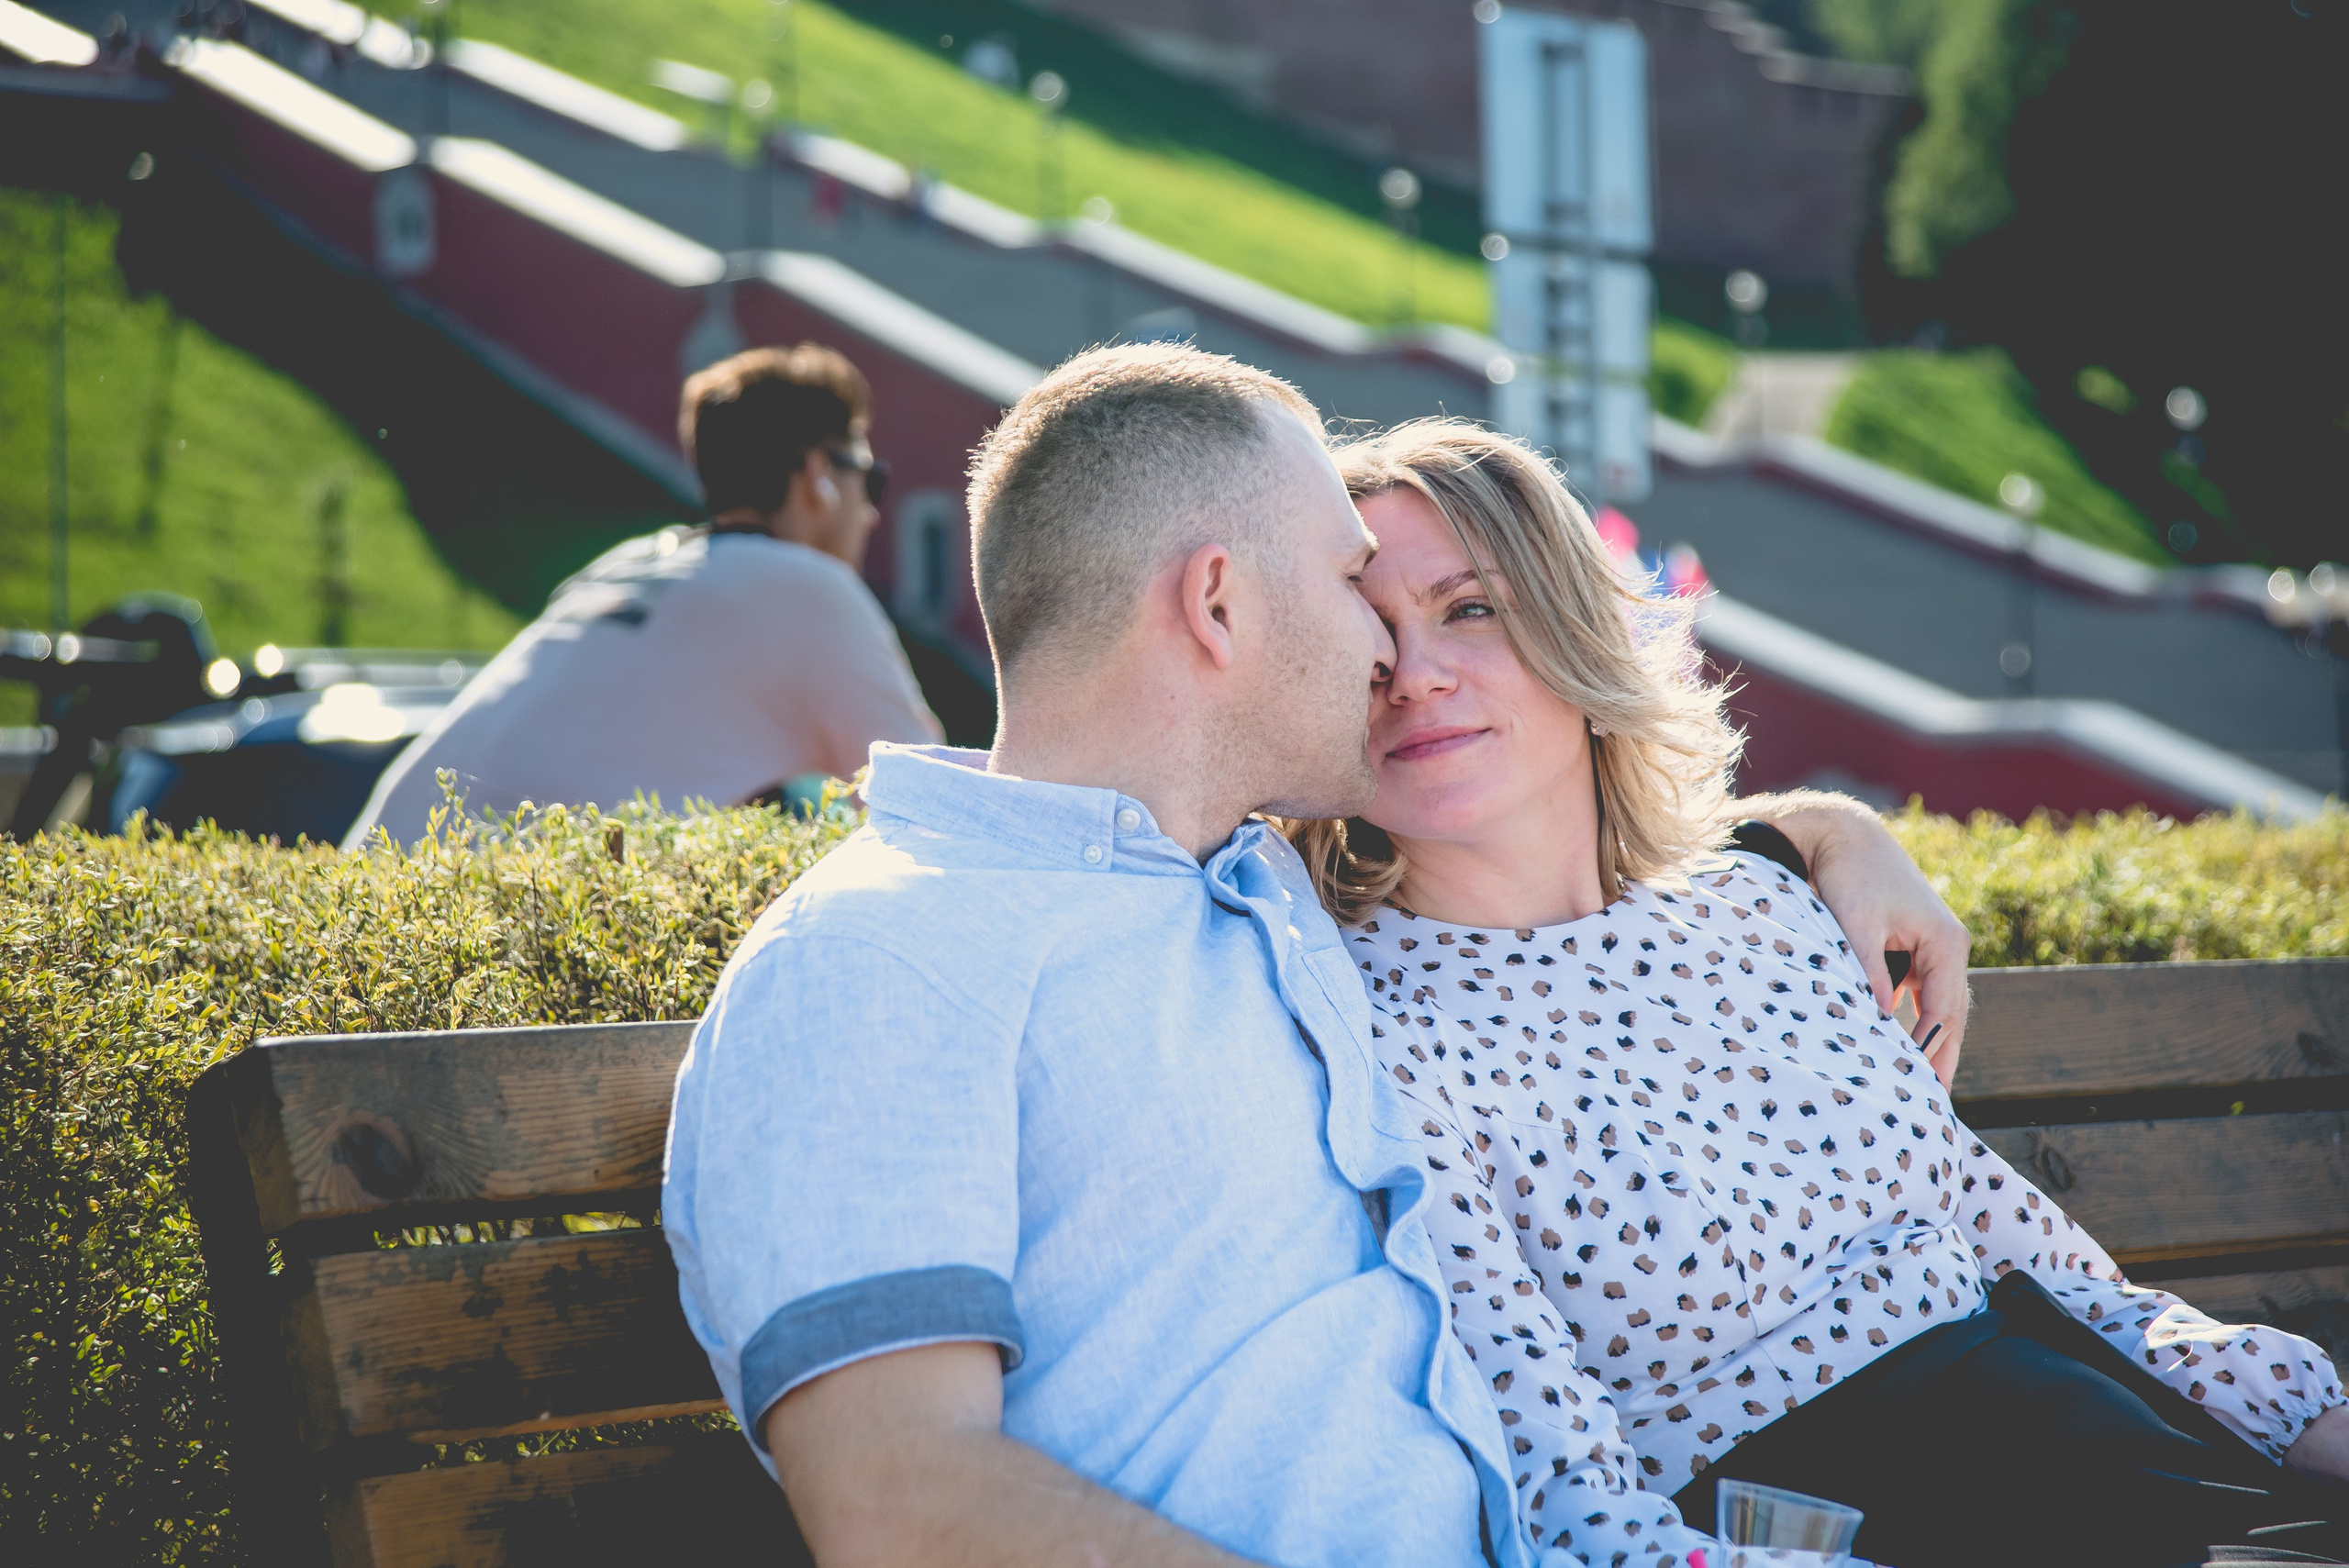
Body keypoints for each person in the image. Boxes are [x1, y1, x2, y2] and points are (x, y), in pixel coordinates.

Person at [662, 344, 1973, 1568]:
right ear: (1220, 602)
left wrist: (1823, 836)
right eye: (1353, 581)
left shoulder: (1259, 899)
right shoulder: (881, 954)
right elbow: (899, 1498)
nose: (1390, 653)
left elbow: (1566, 850)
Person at [1302, 417, 2348, 1568]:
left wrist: (2307, 1417)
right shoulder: (1374, 1037)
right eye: (1366, 635)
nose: (1414, 672)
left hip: (2132, 1470)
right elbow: (1575, 1510)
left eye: (1468, 607)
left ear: (1570, 628)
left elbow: (2040, 1263)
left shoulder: (1768, 906)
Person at [343, 344, 940, 850]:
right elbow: (939, 815)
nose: (870, 513)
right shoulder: (813, 592)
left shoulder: (627, 564)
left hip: (367, 884)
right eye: (871, 476)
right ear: (818, 478)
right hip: (481, 925)